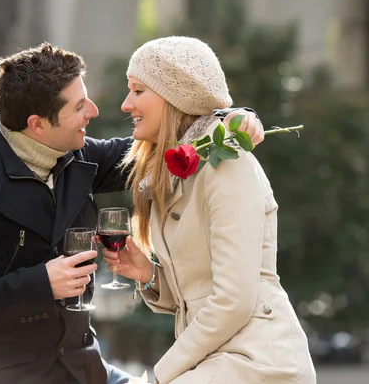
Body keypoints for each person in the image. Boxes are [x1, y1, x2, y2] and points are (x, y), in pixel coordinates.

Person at [0, 42, 264, 384]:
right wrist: (41, 283)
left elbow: (164, 139)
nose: (95, 111)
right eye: (80, 105)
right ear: (38, 124)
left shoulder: (78, 156)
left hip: (83, 369)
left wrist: (228, 118)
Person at [103, 36, 316, 384]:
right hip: (216, 359)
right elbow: (200, 293)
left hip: (258, 361)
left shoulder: (227, 164)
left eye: (138, 90)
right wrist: (151, 276)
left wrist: (160, 376)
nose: (126, 104)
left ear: (176, 96)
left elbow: (233, 300)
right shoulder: (172, 174)